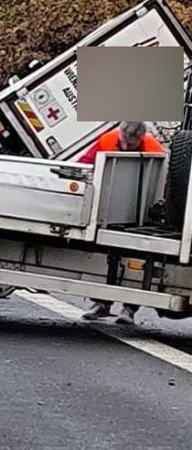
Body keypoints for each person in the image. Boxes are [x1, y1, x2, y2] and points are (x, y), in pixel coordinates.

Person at [79, 121, 165, 325]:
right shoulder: (107, 141)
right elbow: (84, 164)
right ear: (121, 135)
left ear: (141, 139)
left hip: (140, 217)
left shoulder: (154, 150)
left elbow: (165, 183)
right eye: (125, 142)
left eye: (133, 144)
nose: (127, 147)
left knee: (137, 263)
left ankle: (129, 309)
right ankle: (101, 304)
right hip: (107, 210)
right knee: (106, 259)